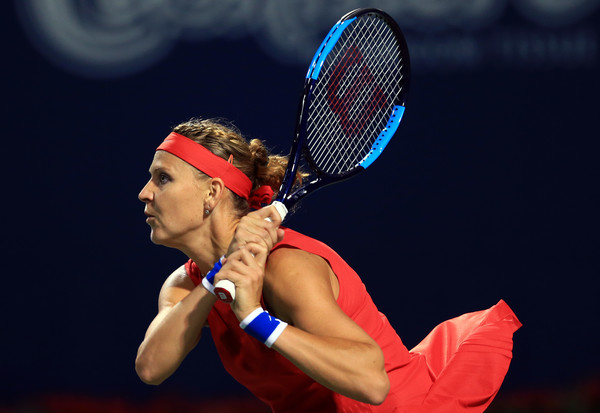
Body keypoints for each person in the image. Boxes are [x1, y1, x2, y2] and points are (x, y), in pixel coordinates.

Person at [136, 118, 522, 412]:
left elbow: (372, 383)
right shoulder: (187, 284)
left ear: (213, 192)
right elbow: (151, 369)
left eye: (163, 178)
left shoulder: (287, 268)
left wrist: (256, 319)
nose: (145, 193)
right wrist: (217, 274)